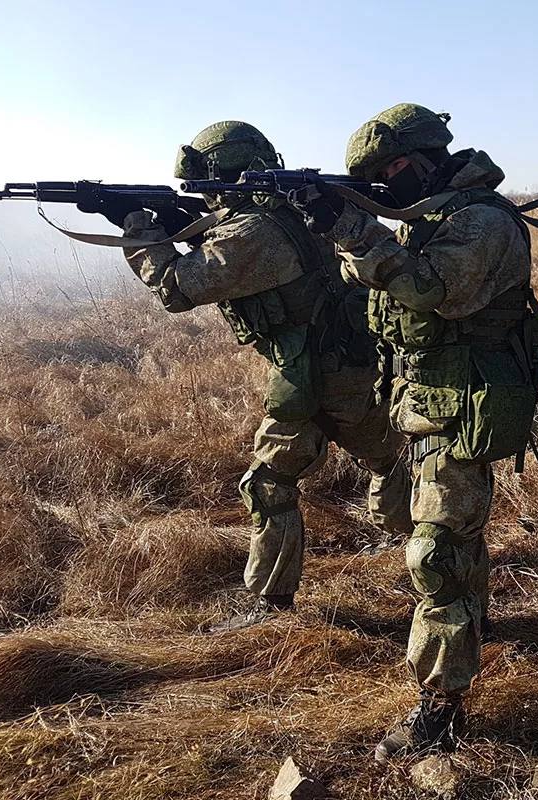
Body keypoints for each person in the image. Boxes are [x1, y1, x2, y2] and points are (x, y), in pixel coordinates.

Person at [293, 103, 538, 761]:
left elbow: (429, 288)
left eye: (389, 172)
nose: (384, 186)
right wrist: (336, 227)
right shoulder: (429, 218)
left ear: (421, 160)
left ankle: (441, 703)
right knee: (456, 538)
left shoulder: (479, 222)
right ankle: (471, 627)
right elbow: (373, 284)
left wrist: (352, 227)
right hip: (431, 403)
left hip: (466, 404)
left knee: (434, 553)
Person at [113, 120, 413, 632]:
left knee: (269, 484)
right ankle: (417, 540)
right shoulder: (295, 207)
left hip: (312, 377)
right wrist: (185, 222)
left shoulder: (251, 232)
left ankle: (271, 605)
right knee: (385, 455)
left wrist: (137, 228)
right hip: (351, 364)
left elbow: (176, 288)